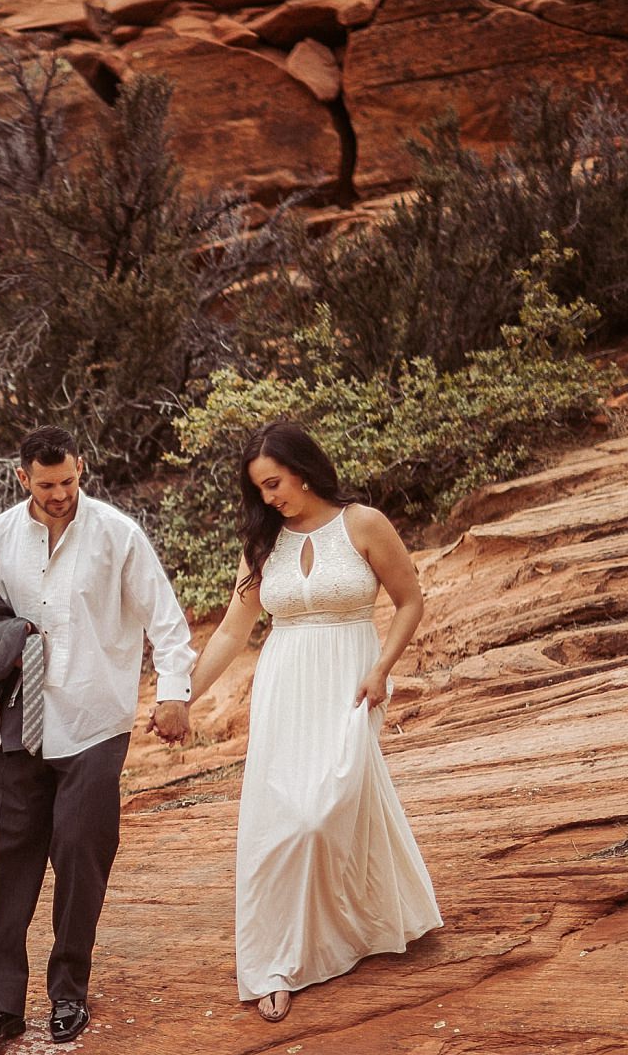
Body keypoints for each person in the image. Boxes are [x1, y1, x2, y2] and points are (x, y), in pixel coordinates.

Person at [185, 420, 442, 1022]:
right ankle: (272, 959)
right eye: (259, 490)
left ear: (302, 469)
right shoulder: (261, 543)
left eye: (275, 483)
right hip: (285, 685)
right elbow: (231, 630)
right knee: (284, 819)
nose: (270, 498)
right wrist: (183, 697)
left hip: (350, 679)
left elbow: (410, 601)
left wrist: (382, 669)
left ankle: (361, 924)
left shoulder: (363, 524)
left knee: (329, 808)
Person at [0, 425, 196, 1045]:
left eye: (68, 482)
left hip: (93, 719)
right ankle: (0, 1006)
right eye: (46, 484)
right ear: (22, 479)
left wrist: (173, 694)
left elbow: (165, 620)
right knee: (11, 862)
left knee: (82, 858)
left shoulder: (117, 534)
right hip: (16, 724)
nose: (60, 494)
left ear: (81, 468)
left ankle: (69, 994)